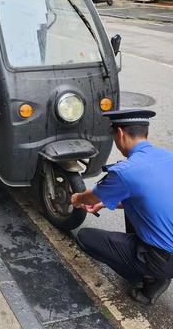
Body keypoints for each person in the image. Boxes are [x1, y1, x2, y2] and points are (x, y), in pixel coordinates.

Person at [71, 109, 173, 305]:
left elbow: (88, 198)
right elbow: (147, 198)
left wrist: (76, 198)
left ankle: (149, 280)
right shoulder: (167, 158)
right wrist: (105, 203)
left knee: (86, 237)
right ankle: (153, 267)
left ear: (119, 134)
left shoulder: (125, 172)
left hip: (163, 259)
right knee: (130, 201)